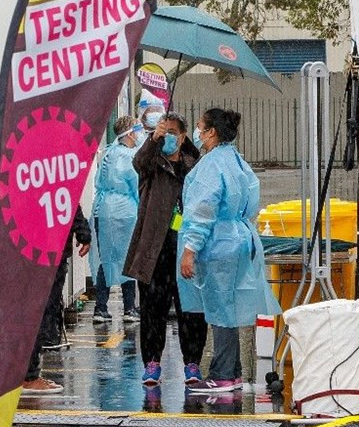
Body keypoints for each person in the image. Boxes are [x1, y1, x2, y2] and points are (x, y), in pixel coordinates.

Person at [178, 108, 280, 393]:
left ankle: (222, 374)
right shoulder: (237, 160)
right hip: (238, 238)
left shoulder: (211, 166)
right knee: (229, 307)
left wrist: (190, 250)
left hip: (218, 245)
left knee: (221, 308)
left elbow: (202, 211)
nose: (197, 132)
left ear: (211, 132)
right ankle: (232, 372)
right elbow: (250, 201)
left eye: (200, 127)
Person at [123, 111, 208, 386]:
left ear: (183, 136)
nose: (168, 136)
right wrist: (153, 139)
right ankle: (152, 363)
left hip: (186, 248)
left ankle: (192, 363)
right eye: (164, 131)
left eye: (173, 132)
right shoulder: (152, 163)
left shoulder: (195, 166)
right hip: (154, 248)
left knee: (191, 310)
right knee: (152, 309)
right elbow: (138, 162)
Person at [22, 207, 90, 394]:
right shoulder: (53, 180)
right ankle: (29, 375)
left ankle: (25, 373)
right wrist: (83, 232)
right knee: (41, 312)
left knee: (29, 310)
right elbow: (69, 198)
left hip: (27, 244)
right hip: (50, 246)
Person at [91, 117, 142, 323]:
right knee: (127, 258)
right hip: (125, 212)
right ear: (130, 133)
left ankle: (100, 307)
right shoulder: (132, 158)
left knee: (106, 259)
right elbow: (136, 186)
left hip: (102, 210)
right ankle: (129, 308)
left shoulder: (108, 154)